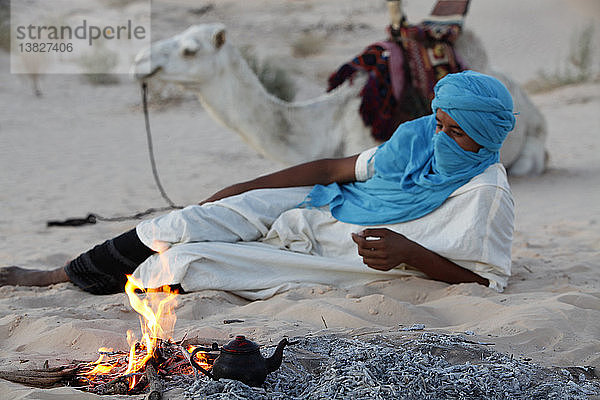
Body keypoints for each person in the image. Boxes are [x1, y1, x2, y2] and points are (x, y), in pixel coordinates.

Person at [0, 71, 515, 300]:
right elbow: (334, 170)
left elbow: (485, 283)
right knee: (182, 221)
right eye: (441, 123)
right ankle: (57, 276)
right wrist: (244, 187)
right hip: (327, 205)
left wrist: (409, 253)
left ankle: (111, 284)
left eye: (458, 133)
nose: (442, 137)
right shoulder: (417, 139)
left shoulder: (484, 193)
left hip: (347, 257)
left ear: (485, 136)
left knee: (186, 261)